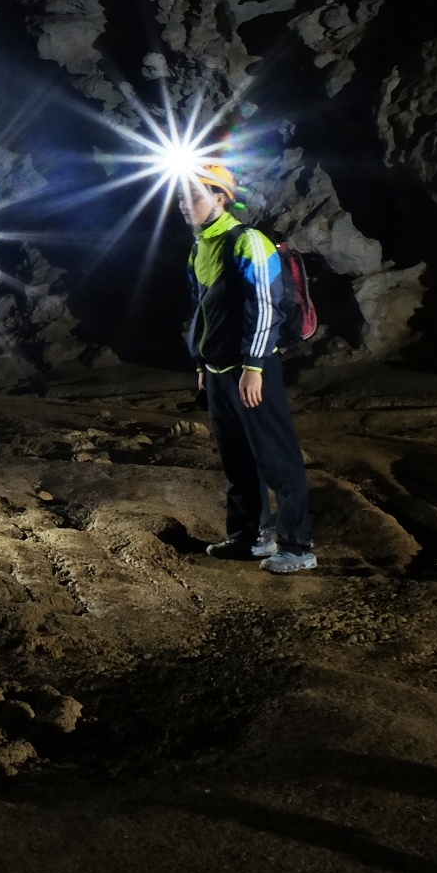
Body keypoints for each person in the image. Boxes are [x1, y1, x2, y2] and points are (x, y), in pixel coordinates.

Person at [179, 162, 315, 575]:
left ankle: (297, 547)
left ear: (220, 198)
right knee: (238, 459)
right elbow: (202, 310)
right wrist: (202, 363)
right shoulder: (200, 247)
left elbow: (265, 307)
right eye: (183, 199)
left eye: (195, 197)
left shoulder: (248, 241)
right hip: (219, 371)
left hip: (251, 369)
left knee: (276, 456)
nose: (186, 206)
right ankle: (251, 537)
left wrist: (254, 365)